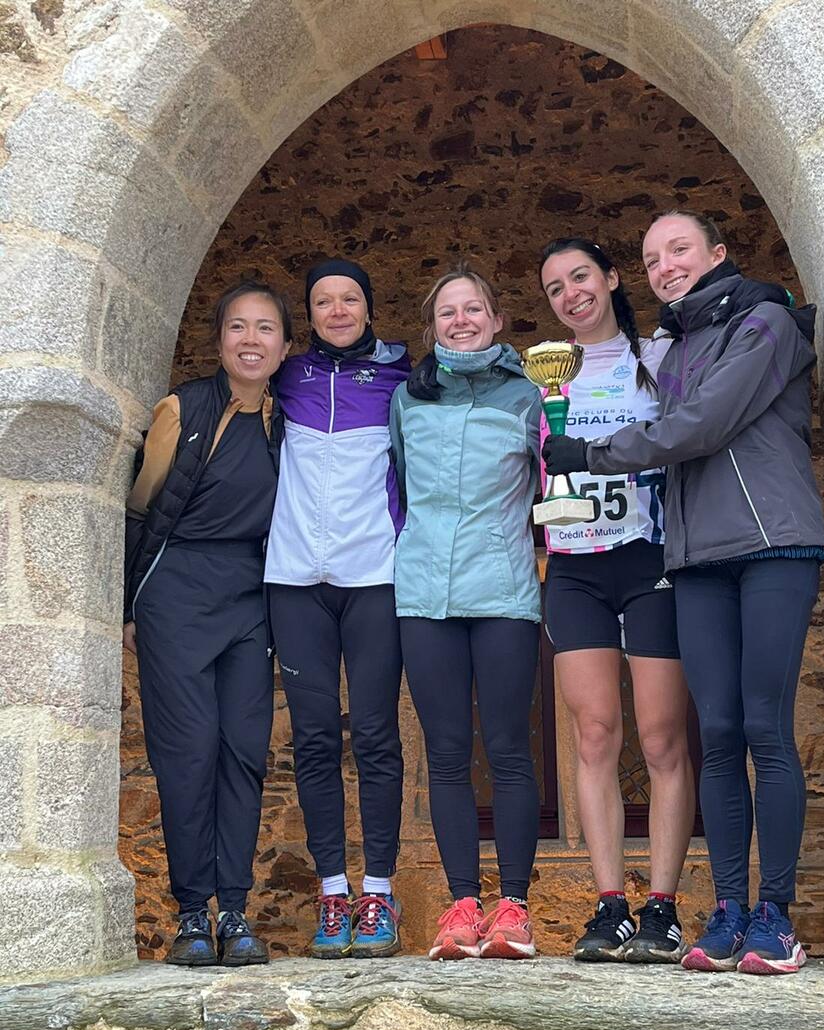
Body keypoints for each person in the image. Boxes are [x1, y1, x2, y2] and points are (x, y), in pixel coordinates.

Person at [543, 211, 824, 975]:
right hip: (696, 556)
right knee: (720, 733)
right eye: (653, 257)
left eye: (678, 250)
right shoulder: (672, 347)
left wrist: (593, 453)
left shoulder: (765, 320)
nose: (665, 265)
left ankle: (775, 914)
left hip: (773, 541)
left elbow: (701, 425)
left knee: (765, 729)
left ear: (717, 253)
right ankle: (729, 908)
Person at [124, 280, 292, 967]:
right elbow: (138, 508)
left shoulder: (290, 418)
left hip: (251, 598)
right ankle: (193, 914)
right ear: (219, 340)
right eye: (238, 328)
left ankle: (236, 913)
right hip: (177, 592)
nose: (250, 340)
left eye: (265, 329)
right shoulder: (183, 409)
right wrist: (127, 602)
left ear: (284, 347)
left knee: (244, 754)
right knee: (187, 754)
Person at [538, 238, 695, 964]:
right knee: (594, 733)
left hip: (647, 558)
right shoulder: (541, 371)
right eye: (555, 288)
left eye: (581, 277)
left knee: (662, 738)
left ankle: (662, 906)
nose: (571, 294)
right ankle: (610, 906)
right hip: (573, 566)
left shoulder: (659, 358)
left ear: (610, 278)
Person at [390, 263, 543, 961]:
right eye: (448, 312)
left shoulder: (528, 394)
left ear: (496, 319)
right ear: (433, 326)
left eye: (473, 308)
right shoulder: (409, 399)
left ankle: (514, 907)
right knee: (446, 754)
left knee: (509, 749)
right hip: (424, 594)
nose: (461, 320)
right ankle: (461, 907)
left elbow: (550, 482)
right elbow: (398, 483)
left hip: (506, 591)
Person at [265, 259, 410, 959]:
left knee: (377, 735)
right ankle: (331, 892)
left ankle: (378, 892)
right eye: (323, 301)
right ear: (310, 314)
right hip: (294, 580)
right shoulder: (284, 377)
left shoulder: (402, 379)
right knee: (316, 740)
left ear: (369, 306)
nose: (337, 309)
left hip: (374, 576)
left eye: (350, 297)